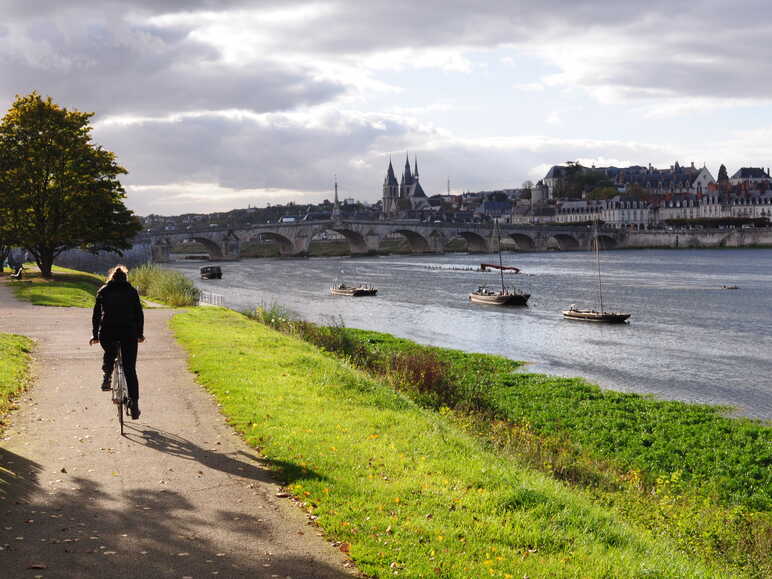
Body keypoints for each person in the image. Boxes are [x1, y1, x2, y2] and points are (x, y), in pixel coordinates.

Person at [89, 265, 145, 419]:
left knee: (110, 350)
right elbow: (139, 314)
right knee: (130, 369)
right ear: (125, 278)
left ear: (111, 277)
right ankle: (134, 405)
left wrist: (95, 335)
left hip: (108, 331)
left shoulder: (103, 291)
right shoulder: (132, 291)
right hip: (128, 332)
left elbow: (96, 315)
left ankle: (106, 376)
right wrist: (140, 334)